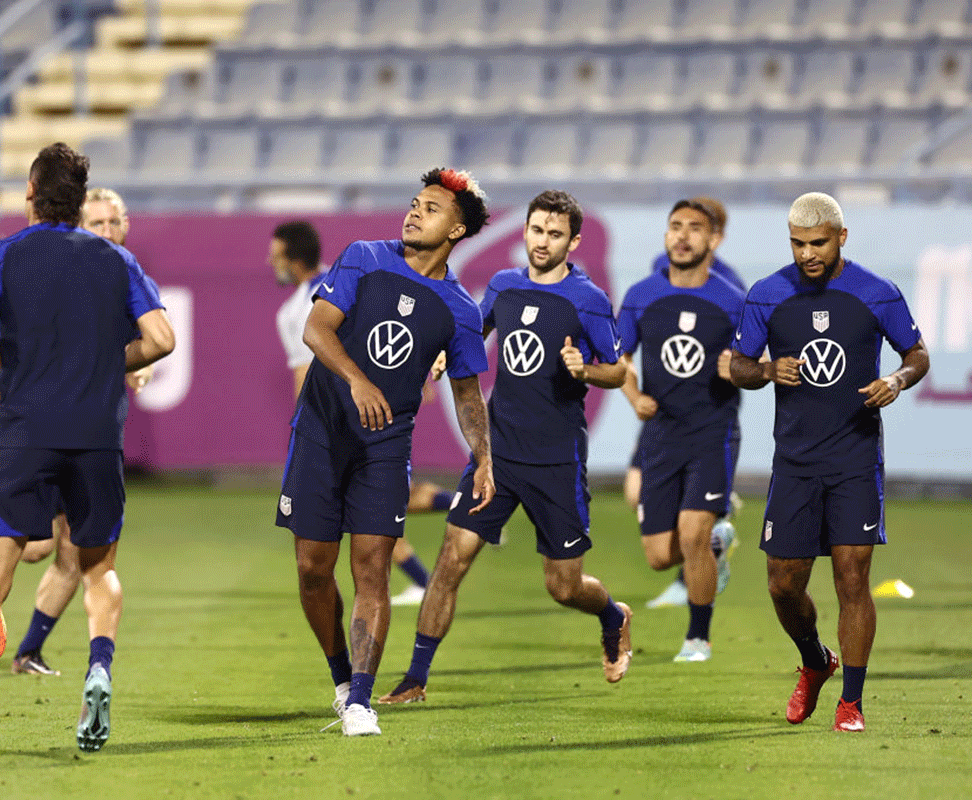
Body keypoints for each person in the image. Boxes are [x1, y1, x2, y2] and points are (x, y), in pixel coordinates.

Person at [0, 143, 175, 765]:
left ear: (30, 191)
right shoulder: (116, 259)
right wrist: (108, 359)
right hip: (96, 436)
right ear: (82, 199)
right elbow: (161, 338)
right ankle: (98, 668)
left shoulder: (3, 254)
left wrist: (8, 343)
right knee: (97, 568)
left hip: (22, 436)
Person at [379, 190, 631, 705]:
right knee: (452, 560)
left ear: (574, 241)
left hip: (557, 462)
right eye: (536, 230)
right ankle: (415, 679)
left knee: (563, 586)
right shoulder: (503, 285)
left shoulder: (589, 299)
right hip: (497, 456)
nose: (542, 242)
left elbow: (619, 368)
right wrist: (438, 358)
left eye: (555, 234)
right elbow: (470, 330)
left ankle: (612, 615)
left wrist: (588, 370)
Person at [275, 168, 494, 737]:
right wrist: (356, 379)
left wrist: (485, 458)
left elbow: (468, 393)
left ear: (458, 229)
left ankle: (361, 702)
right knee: (311, 569)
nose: (415, 212)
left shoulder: (461, 310)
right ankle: (341, 679)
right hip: (321, 432)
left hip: (385, 445)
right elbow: (317, 331)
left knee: (373, 567)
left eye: (432, 208)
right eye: (415, 203)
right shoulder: (363, 256)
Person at [729, 192, 929, 733]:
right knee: (782, 585)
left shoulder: (876, 293)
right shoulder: (767, 295)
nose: (807, 254)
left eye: (817, 243)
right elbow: (738, 367)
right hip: (794, 462)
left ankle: (852, 703)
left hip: (855, 458)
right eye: (797, 244)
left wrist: (895, 380)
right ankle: (816, 661)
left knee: (852, 579)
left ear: (842, 237)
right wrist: (769, 371)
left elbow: (917, 356)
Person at [269, 220, 452, 608]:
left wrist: (305, 433)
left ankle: (457, 515)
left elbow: (308, 372)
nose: (270, 262)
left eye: (275, 255)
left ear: (290, 258)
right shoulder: (358, 279)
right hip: (382, 418)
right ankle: (435, 557)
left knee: (361, 522)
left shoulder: (299, 308)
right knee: (381, 513)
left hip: (339, 426)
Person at [10, 185, 152, 677]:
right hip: (42, 427)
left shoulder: (122, 274)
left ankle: (27, 651)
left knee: (72, 552)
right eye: (98, 224)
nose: (108, 232)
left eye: (114, 223)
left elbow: (144, 339)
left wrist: (132, 362)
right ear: (78, 226)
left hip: (87, 433)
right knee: (35, 548)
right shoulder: (64, 272)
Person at [615, 199, 745, 662]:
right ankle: (715, 543)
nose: (683, 235)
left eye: (694, 228)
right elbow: (619, 360)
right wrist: (634, 397)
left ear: (713, 240)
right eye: (675, 226)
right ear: (666, 236)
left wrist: (739, 369)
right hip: (661, 437)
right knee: (658, 555)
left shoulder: (733, 300)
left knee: (690, 533)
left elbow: (752, 366)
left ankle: (697, 638)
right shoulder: (641, 294)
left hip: (712, 433)